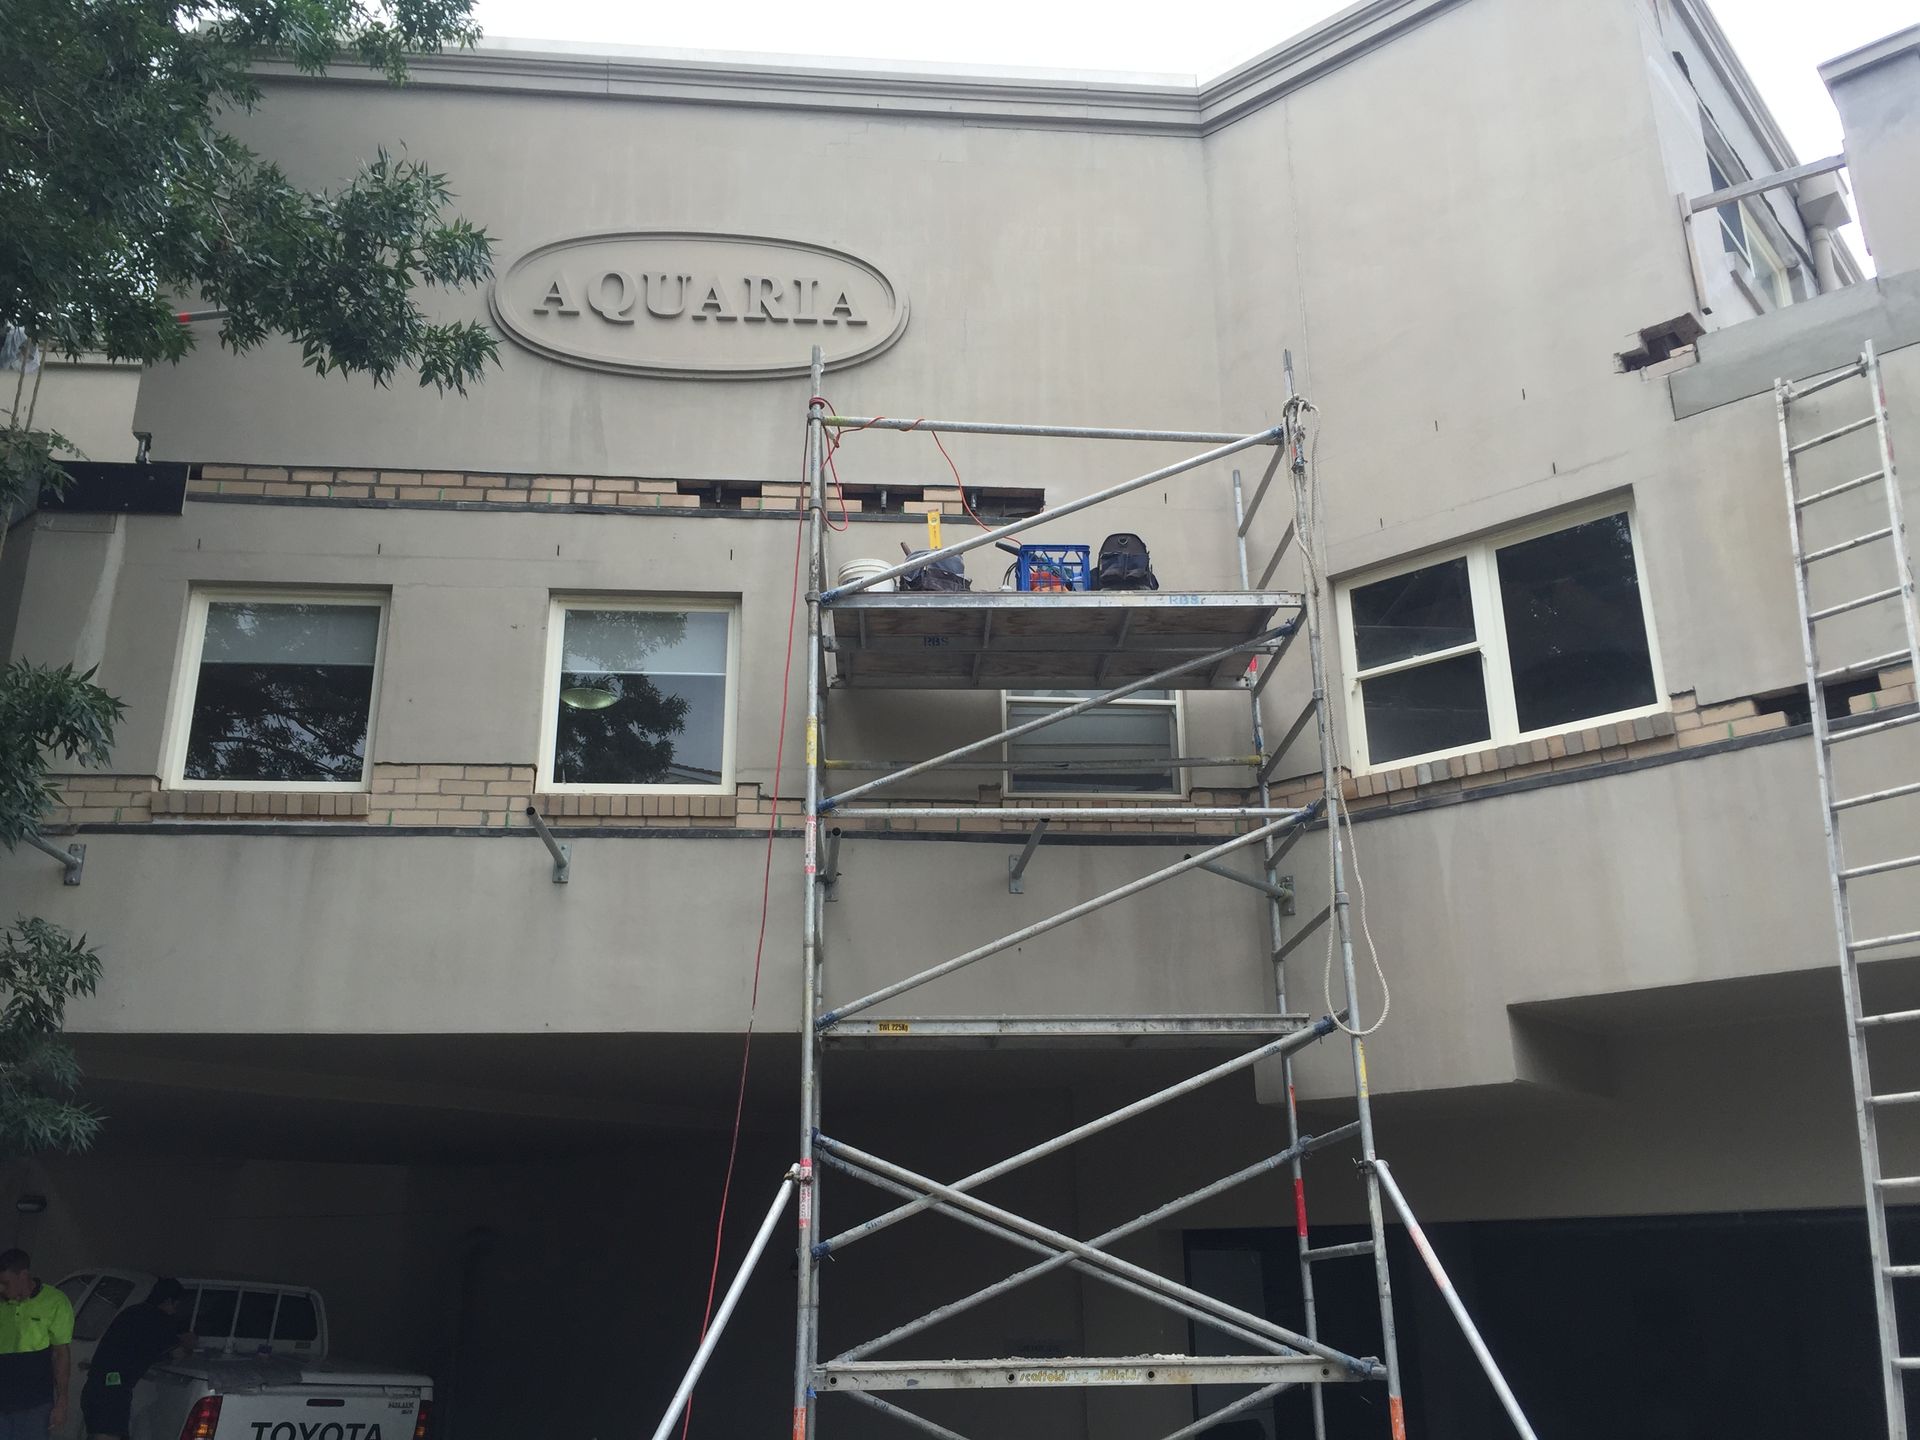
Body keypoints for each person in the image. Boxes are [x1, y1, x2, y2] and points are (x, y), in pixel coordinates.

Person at [81, 1280, 194, 1440]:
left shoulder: (132, 1312)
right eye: (177, 1305)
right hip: (112, 1393)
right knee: (108, 1434)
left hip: (96, 1388)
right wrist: (189, 1344)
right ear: (168, 1301)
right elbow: (178, 1353)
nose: (176, 1310)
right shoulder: (160, 1320)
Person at [0, 1249, 73, 1440]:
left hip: (35, 1404)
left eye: (6, 1283)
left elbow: (61, 1354)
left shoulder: (55, 1302)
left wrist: (62, 1401)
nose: (1, 1289)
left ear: (23, 1275)